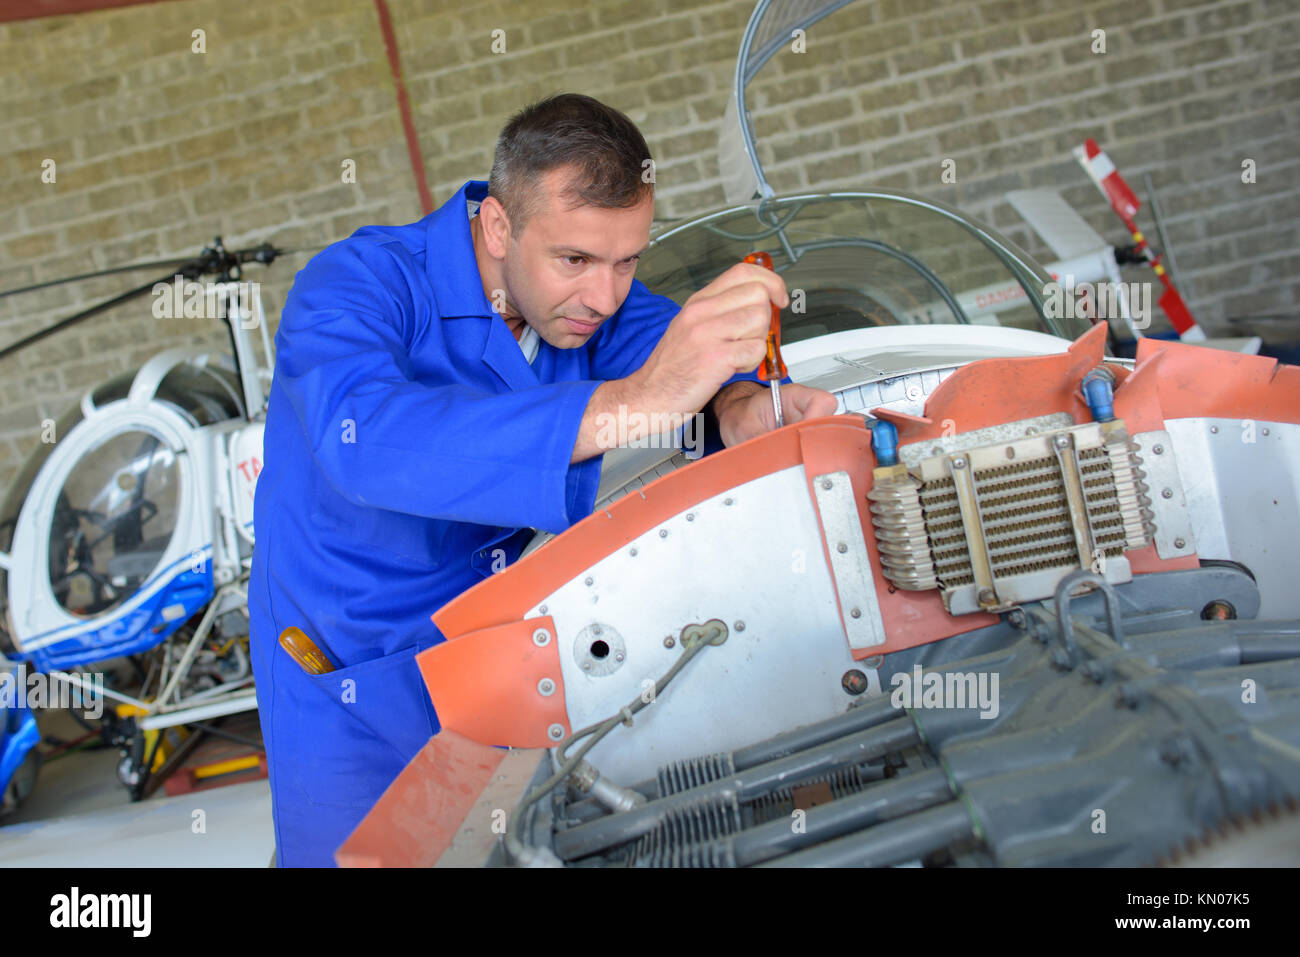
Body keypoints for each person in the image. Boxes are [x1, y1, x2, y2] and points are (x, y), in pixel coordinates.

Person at [248, 92, 837, 866]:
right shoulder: (354, 287)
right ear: (498, 226)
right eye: (576, 261)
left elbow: (655, 344)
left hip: (506, 639)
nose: (605, 294)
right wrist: (640, 399)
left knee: (522, 843)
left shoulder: (595, 306)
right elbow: (368, 441)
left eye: (627, 259)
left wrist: (736, 407)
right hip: (353, 661)